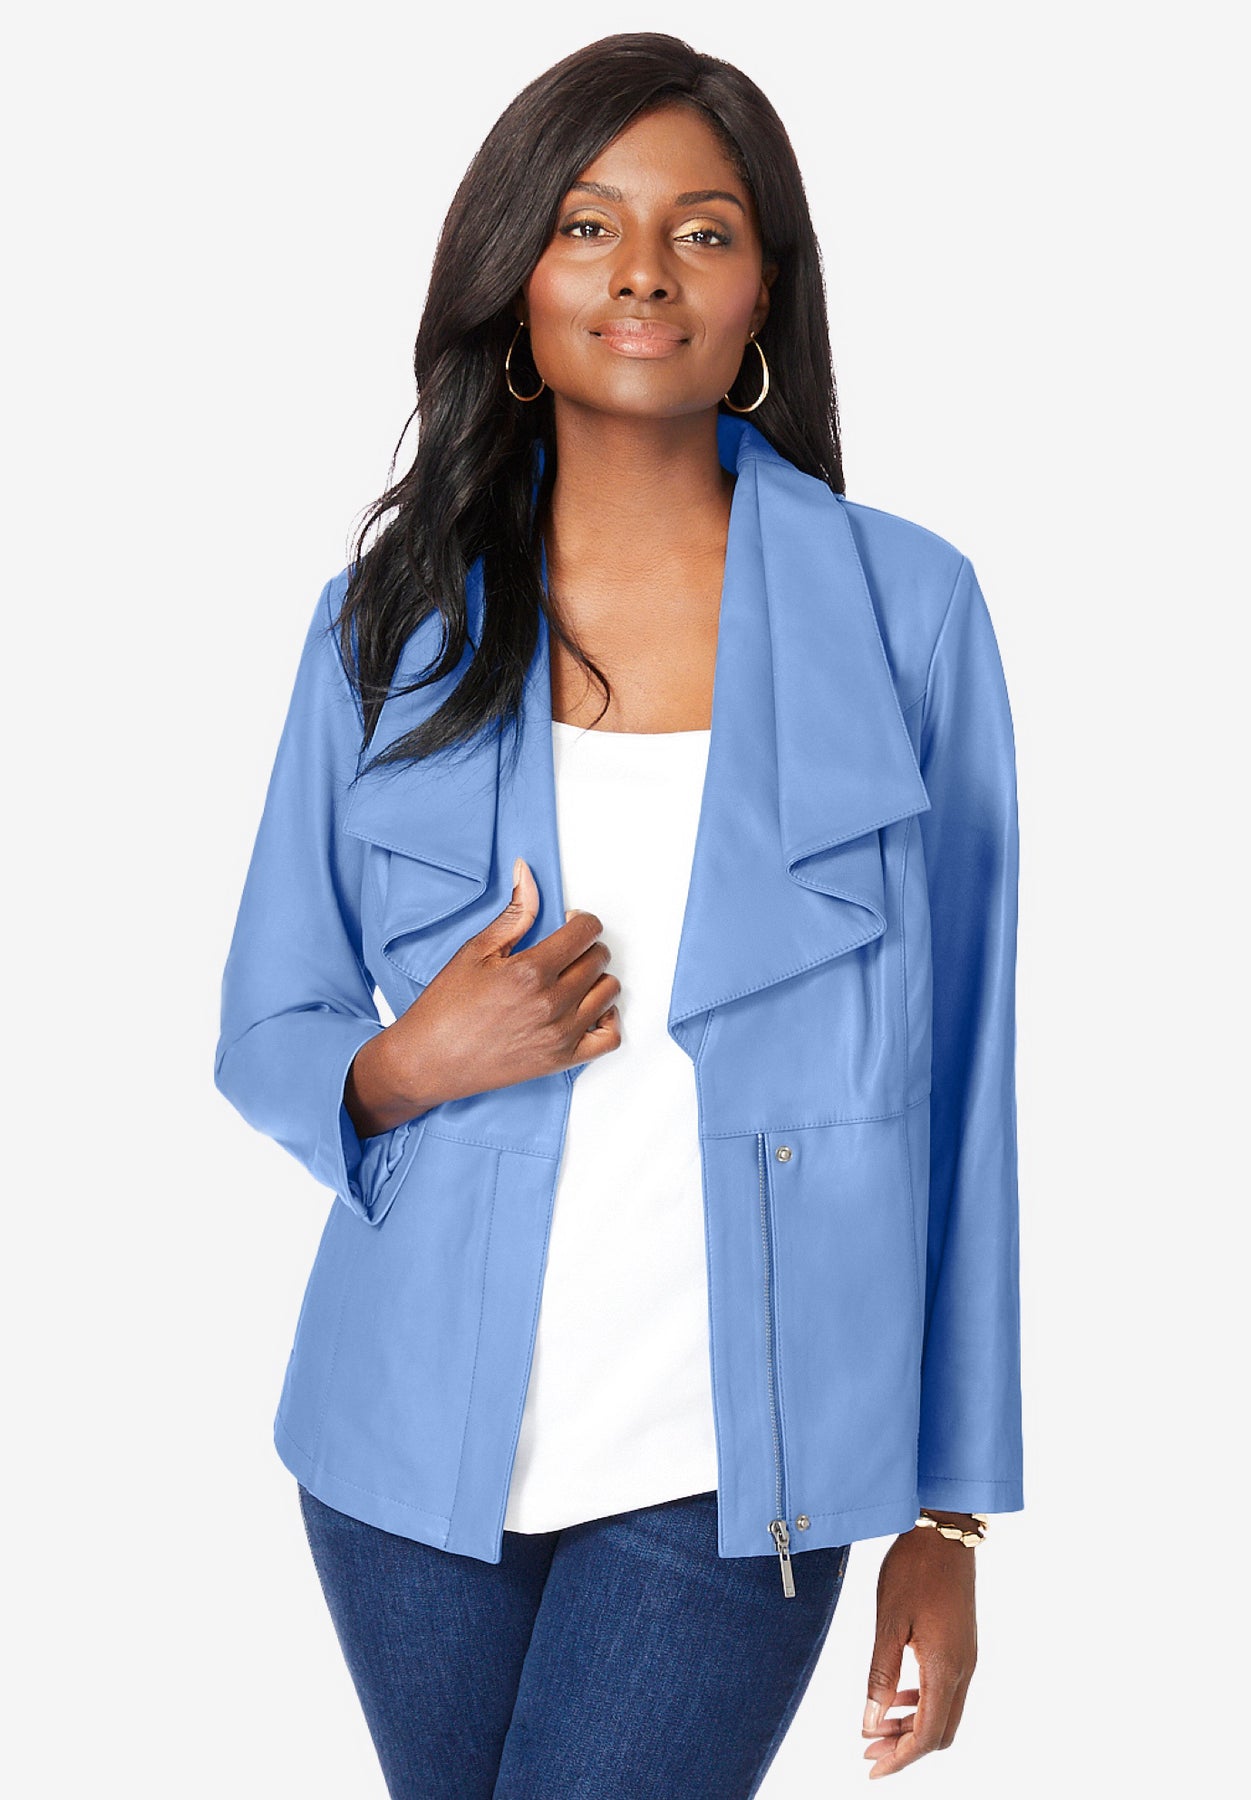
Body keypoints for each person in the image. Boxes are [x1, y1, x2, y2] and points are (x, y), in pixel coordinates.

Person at [214, 31, 1023, 1798]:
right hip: (405, 1449)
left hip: (746, 1460)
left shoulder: (910, 615)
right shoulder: (387, 622)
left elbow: (968, 1088)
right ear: (517, 280)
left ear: (763, 293)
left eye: (702, 231)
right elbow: (267, 1021)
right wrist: (407, 1063)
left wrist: (951, 1514)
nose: (643, 270)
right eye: (587, 225)